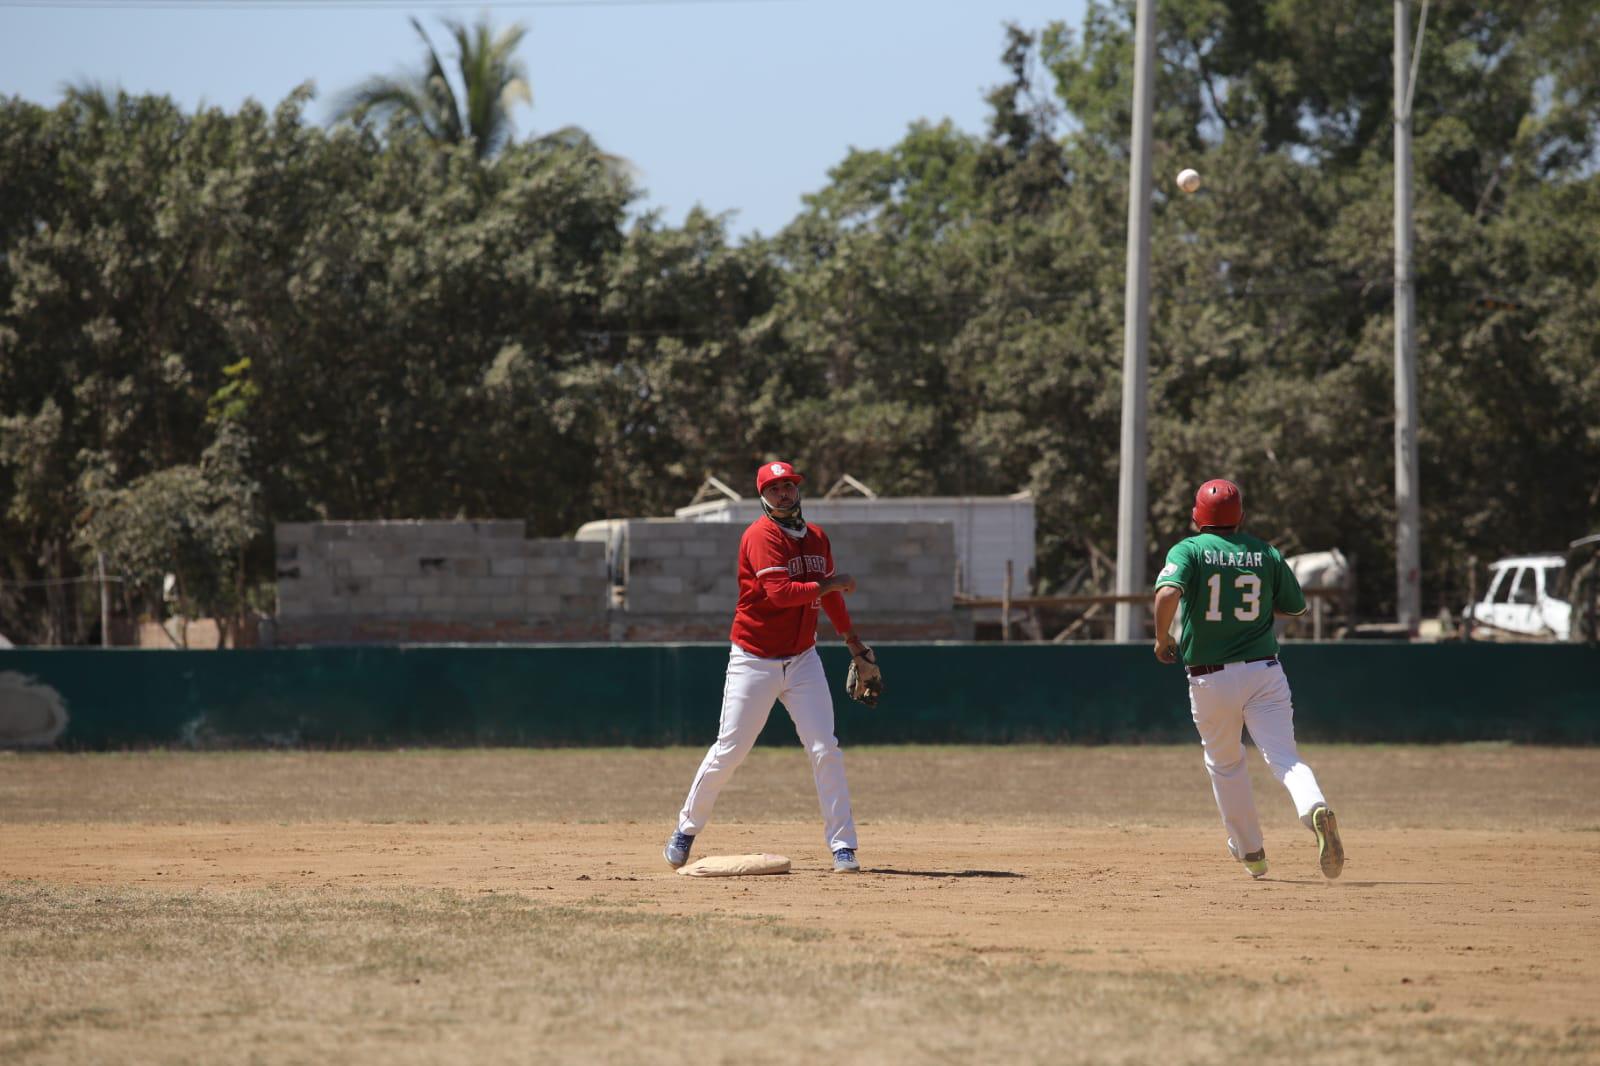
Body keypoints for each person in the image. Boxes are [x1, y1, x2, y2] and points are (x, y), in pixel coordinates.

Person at [663, 460, 880, 874]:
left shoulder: (816, 537)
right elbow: (780, 594)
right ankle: (685, 829)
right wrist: (830, 583)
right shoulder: (760, 536)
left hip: (803, 659)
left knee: (825, 749)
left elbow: (829, 598)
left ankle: (843, 847)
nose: (784, 492)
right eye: (775, 487)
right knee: (730, 749)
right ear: (763, 494)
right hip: (754, 658)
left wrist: (853, 642)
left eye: (789, 485)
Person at [1151, 478, 1345, 880]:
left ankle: (1251, 852)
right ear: (1240, 516)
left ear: (1196, 515)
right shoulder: (1266, 552)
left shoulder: (1189, 549)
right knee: (1286, 758)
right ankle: (1314, 808)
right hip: (1265, 672)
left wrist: (1161, 637)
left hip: (1211, 677)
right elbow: (1295, 608)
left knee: (1225, 764)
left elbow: (1167, 594)